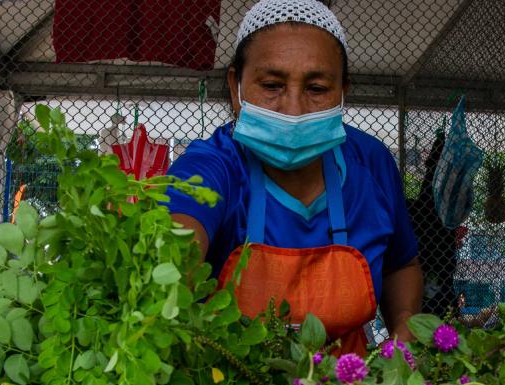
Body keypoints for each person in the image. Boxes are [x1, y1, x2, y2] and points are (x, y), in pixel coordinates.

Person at [163, 0, 424, 353]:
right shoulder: (212, 167)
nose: (293, 110)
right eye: (272, 85)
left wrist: (404, 325)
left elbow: (400, 264)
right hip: (230, 382)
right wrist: (174, 274)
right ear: (236, 86)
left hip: (349, 381)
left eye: (317, 89)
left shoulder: (371, 163)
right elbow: (174, 251)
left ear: (343, 92)